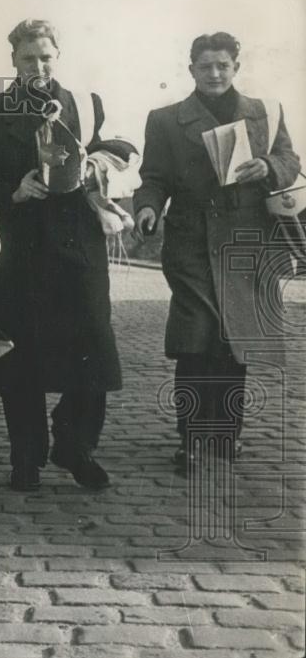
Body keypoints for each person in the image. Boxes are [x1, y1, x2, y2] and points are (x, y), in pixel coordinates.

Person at [0, 19, 121, 491]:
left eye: (46, 56)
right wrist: (13, 191)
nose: (38, 65)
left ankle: (75, 447)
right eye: (29, 57)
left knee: (93, 349)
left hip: (78, 246)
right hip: (20, 249)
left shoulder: (84, 105)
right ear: (13, 59)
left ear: (59, 55)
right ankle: (25, 458)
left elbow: (113, 149)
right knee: (22, 357)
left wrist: (98, 163)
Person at [133, 32, 301, 471]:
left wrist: (268, 166)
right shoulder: (166, 119)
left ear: (235, 68)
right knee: (197, 337)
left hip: (246, 240)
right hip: (190, 241)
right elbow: (152, 177)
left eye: (222, 65)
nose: (214, 74)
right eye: (205, 66)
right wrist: (148, 207)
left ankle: (227, 433)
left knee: (234, 339)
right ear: (190, 70)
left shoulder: (263, 112)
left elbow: (290, 160)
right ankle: (190, 437)